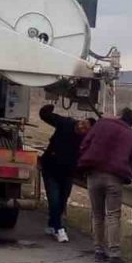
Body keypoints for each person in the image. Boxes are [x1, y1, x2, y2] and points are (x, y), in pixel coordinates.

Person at [77, 107, 132, 263]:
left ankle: (99, 250)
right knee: (113, 215)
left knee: (97, 214)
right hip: (115, 178)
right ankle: (114, 255)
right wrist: (127, 175)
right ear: (131, 123)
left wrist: (85, 166)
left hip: (93, 174)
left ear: (119, 115)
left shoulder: (101, 124)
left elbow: (85, 144)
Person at [38, 103, 92, 243]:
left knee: (62, 200)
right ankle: (59, 229)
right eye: (82, 123)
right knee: (54, 199)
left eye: (85, 127)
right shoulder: (65, 123)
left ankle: (51, 225)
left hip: (68, 172)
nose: (81, 126)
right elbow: (46, 116)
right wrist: (47, 109)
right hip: (50, 167)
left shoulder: (87, 141)